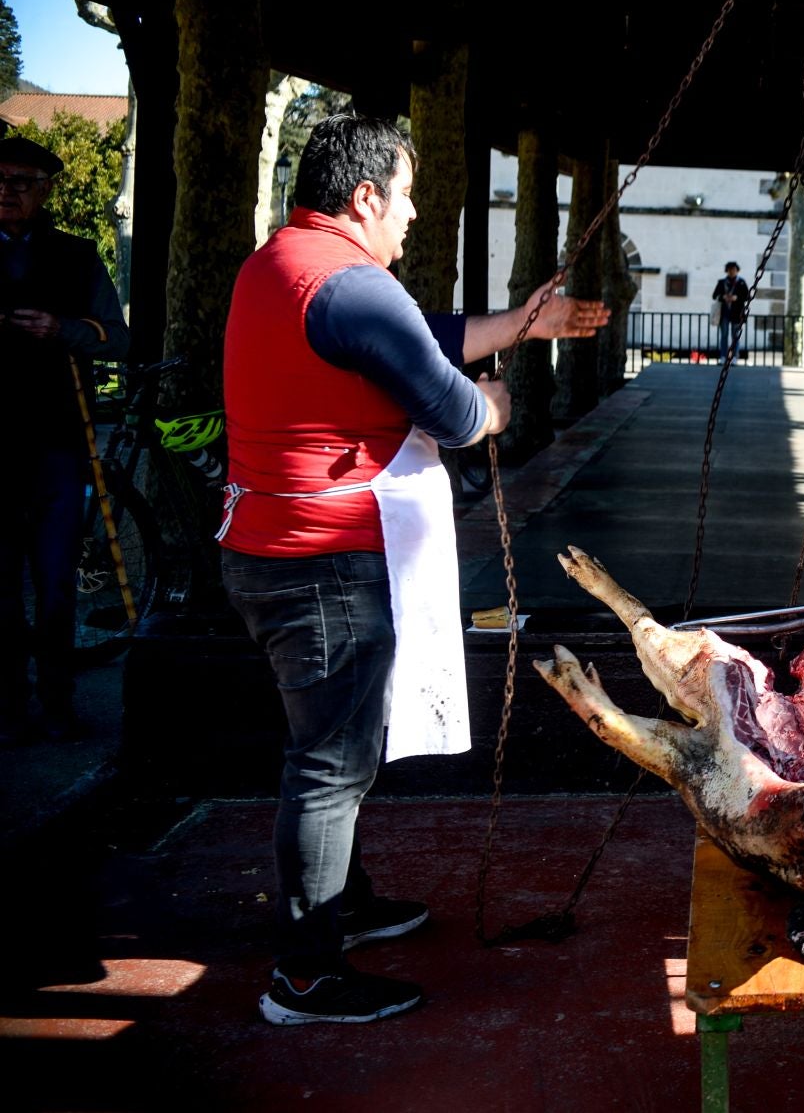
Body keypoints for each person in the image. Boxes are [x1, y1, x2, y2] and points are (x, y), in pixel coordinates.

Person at [220, 114, 608, 1025]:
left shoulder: (280, 263)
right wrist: (499, 402)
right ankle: (306, 974)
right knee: (331, 764)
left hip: (266, 552)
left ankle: (342, 905)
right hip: (326, 564)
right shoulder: (357, 284)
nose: (415, 213)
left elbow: (413, 334)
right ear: (364, 197)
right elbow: (456, 409)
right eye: (406, 193)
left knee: (324, 747)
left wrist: (518, 322)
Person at [0, 135, 132, 744]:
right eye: (0, 180)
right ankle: (8, 703)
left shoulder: (76, 258)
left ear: (46, 190)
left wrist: (66, 328)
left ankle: (56, 702)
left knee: (54, 582)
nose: (8, 192)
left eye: (23, 182)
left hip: (56, 442)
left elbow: (117, 337)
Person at [711, 260, 749, 359]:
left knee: (735, 336)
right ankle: (723, 356)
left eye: (734, 269)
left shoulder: (741, 282)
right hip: (724, 313)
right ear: (727, 271)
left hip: (737, 313)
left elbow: (747, 296)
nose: (732, 271)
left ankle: (734, 357)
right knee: (724, 336)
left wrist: (736, 298)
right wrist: (723, 297)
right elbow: (714, 296)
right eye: (729, 270)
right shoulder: (722, 282)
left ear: (737, 270)